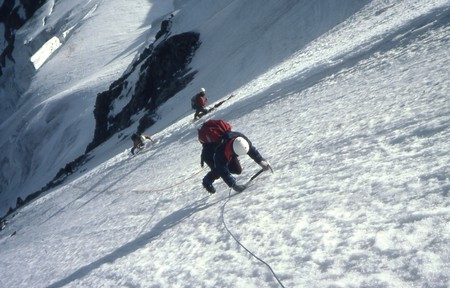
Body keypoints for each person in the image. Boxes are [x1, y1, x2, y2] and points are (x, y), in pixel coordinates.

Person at [200, 130, 271, 194]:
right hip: (210, 154)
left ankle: (223, 169)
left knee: (237, 170)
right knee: (218, 170)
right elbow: (222, 169)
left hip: (227, 149)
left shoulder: (242, 139)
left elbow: (252, 150)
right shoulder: (221, 152)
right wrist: (233, 185)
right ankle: (207, 181)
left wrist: (261, 162)